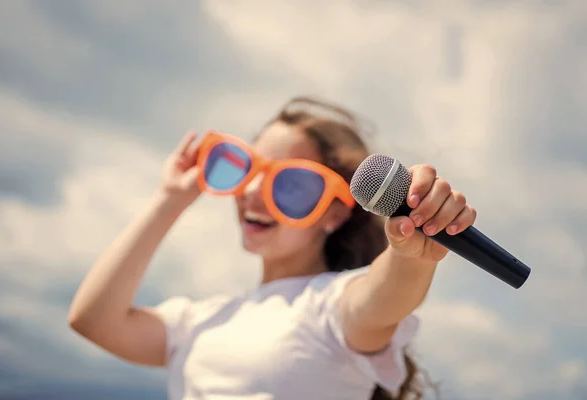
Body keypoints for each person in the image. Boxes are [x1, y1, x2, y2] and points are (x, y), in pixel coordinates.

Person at [68, 96, 476, 400]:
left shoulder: (327, 308)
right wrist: (170, 199)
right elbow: (93, 320)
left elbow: (380, 298)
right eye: (248, 170)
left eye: (290, 184)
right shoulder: (197, 320)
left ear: (334, 214)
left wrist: (409, 253)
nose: (252, 194)